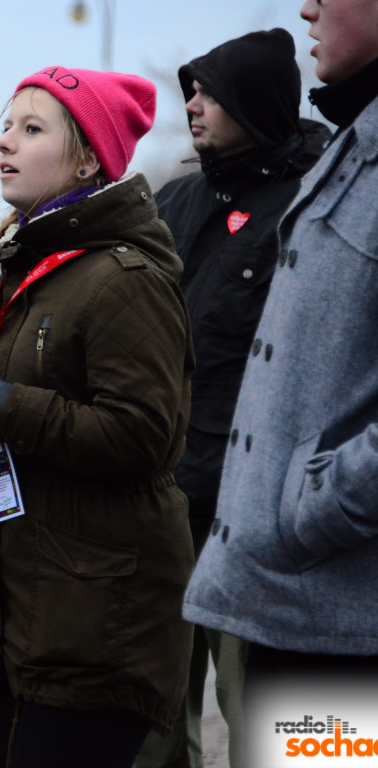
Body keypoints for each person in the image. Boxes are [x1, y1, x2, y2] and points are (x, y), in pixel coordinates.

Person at [0, 66, 196, 768]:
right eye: (6, 125)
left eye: (32, 129)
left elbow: (142, 438)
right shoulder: (17, 263)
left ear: (89, 158)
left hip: (101, 625)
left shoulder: (122, 278)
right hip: (30, 622)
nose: (4, 142)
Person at [182, 0, 378, 753]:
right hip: (292, 604)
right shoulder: (353, 144)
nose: (309, 6)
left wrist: (316, 503)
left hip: (343, 616)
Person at [135, 29, 331, 768]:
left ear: (254, 101)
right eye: (190, 89)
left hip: (273, 517)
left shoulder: (324, 195)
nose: (191, 105)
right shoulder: (174, 201)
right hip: (168, 501)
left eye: (210, 92)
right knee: (151, 721)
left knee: (294, 730)